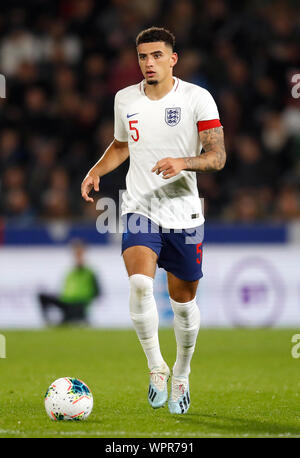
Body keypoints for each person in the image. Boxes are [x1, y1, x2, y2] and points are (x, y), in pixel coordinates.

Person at [81, 27, 226, 414]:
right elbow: (121, 145)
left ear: (173, 59)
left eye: (157, 55)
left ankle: (181, 371)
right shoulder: (125, 99)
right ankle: (155, 367)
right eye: (143, 56)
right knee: (141, 286)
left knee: (182, 304)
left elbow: (217, 157)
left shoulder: (197, 98)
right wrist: (96, 171)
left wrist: (184, 162)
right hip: (140, 209)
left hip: (184, 215)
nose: (149, 63)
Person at [39, 239, 101, 325]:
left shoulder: (89, 273)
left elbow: (98, 293)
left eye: (80, 253)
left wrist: (85, 299)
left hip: (80, 304)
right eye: (76, 253)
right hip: (66, 303)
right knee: (42, 296)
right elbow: (64, 291)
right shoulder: (70, 273)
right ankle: (48, 321)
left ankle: (73, 318)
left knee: (66, 321)